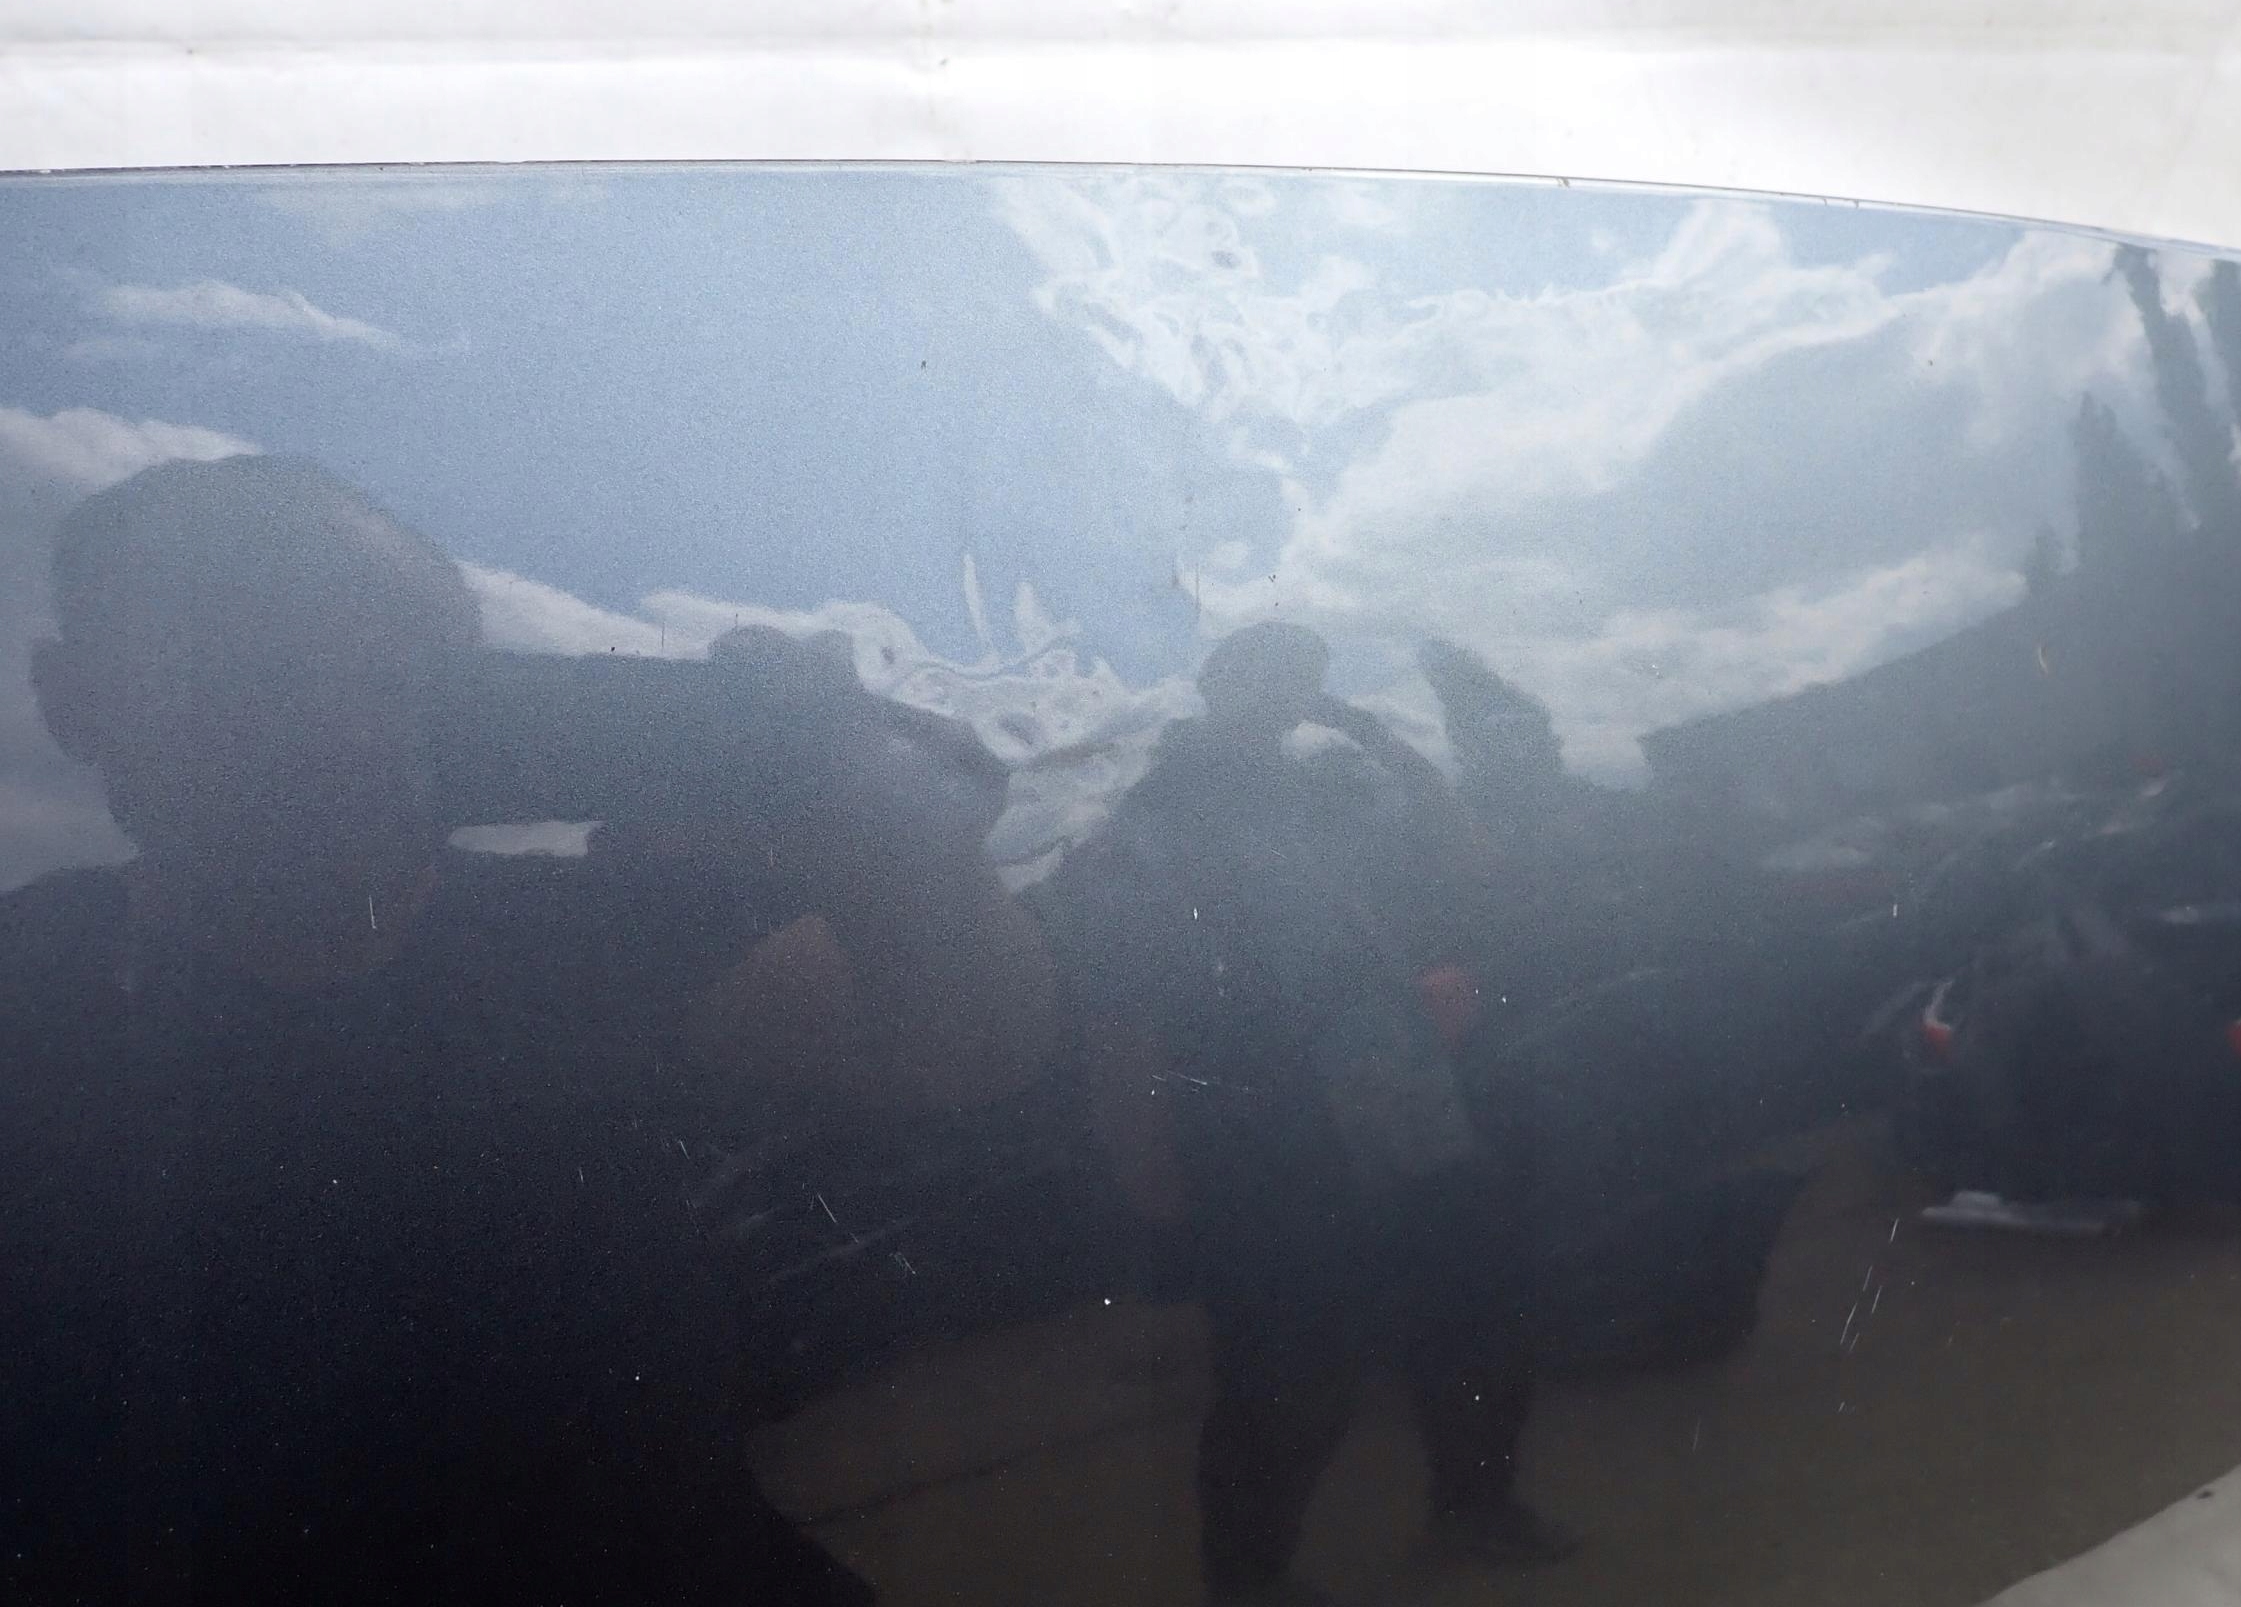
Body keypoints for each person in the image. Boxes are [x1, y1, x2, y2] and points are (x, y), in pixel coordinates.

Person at [0, 454, 1051, 1604]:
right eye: (250, 673)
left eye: (399, 680)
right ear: (74, 700)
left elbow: (965, 1047)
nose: (339, 730)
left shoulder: (602, 935)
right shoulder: (24, 986)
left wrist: (883, 817)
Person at [1065, 622, 1575, 1607]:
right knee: (1290, 1370)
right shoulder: (1151, 820)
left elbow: (1468, 860)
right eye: (1270, 674)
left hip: (1400, 1099)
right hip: (1263, 1130)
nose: (1290, 694)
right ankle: (1249, 1584)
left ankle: (1478, 1505)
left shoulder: (1326, 790)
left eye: (1307, 677)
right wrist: (1144, 1159)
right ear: (1217, 683)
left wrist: (1376, 736)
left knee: (1476, 1312)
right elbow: (1118, 1007)